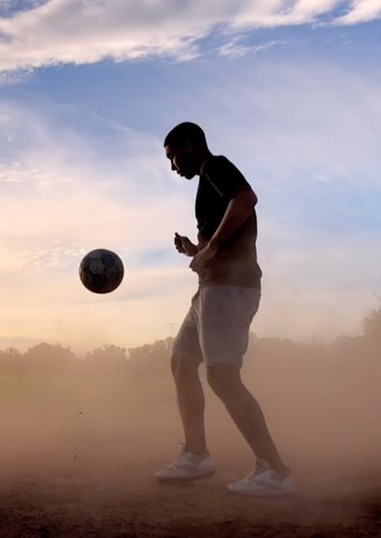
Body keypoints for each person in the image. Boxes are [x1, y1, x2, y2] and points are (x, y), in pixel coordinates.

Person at [154, 121, 294, 496]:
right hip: (211, 289)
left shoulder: (215, 165)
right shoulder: (206, 180)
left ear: (188, 144)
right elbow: (224, 238)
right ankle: (196, 454)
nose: (172, 166)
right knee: (182, 362)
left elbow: (246, 199)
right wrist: (195, 250)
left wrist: (211, 247)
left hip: (231, 289)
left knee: (221, 377)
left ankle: (275, 471)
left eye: (172, 156)